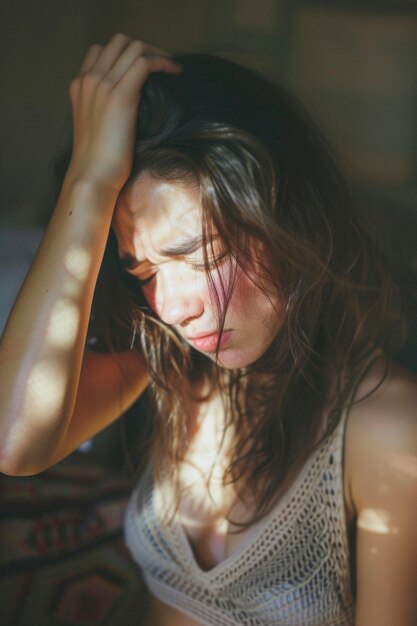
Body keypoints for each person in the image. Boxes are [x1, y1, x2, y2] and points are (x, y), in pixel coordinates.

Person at [0, 33, 416, 626]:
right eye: (142, 270)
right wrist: (88, 181)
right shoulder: (164, 366)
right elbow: (14, 444)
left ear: (284, 216)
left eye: (200, 255)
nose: (170, 307)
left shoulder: (386, 431)